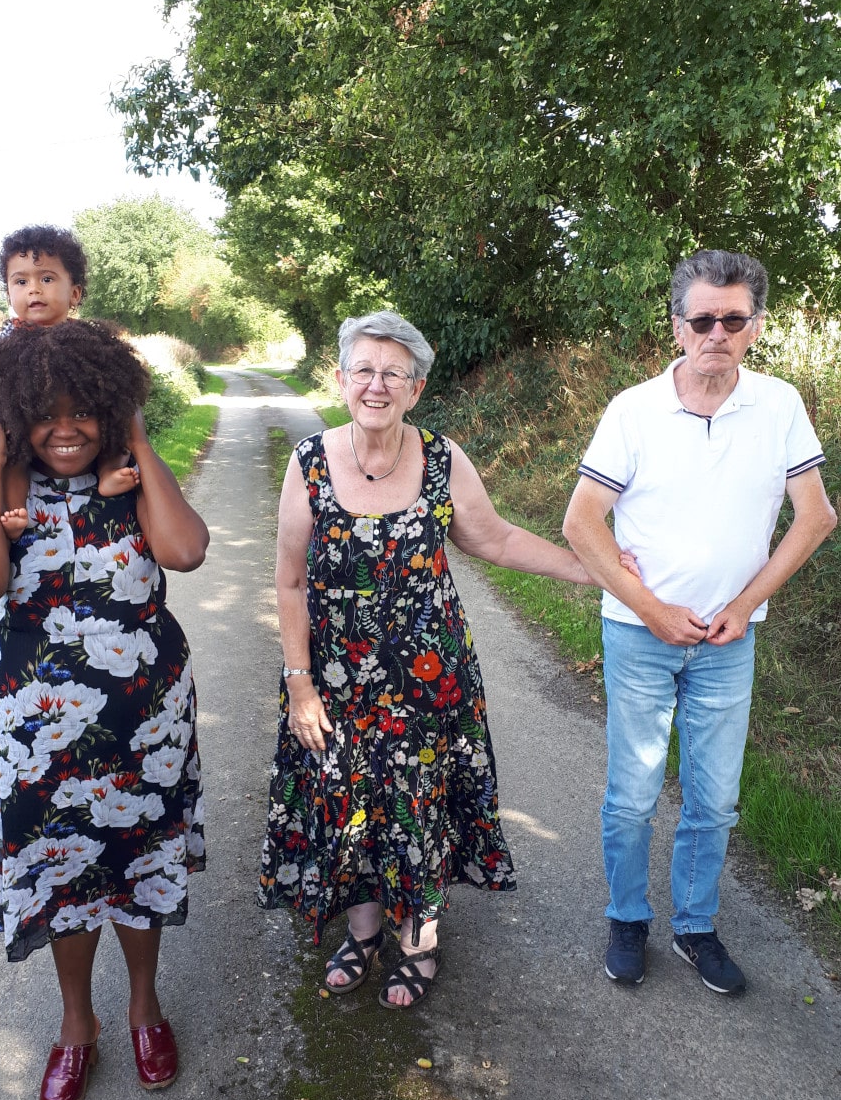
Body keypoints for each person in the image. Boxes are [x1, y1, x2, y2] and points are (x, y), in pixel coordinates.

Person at [258, 310, 597, 1008]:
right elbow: (290, 579)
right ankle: (361, 932)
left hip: (430, 682)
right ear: (341, 378)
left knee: (422, 806)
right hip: (335, 682)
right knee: (350, 801)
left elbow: (495, 539)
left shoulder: (443, 458)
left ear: (415, 389)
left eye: (394, 373)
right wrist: (299, 685)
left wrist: (588, 568)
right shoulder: (310, 462)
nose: (377, 384)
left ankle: (420, 939)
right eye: (364, 369)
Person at [0, 319, 209, 1100]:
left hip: (145, 723)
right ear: (14, 414)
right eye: (43, 413)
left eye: (84, 409)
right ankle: (75, 1023)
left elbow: (187, 550)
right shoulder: (4, 486)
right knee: (63, 872)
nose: (64, 429)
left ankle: (143, 1006)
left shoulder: (129, 475)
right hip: (36, 733)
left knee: (138, 863)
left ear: (109, 404)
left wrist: (135, 435)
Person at [563, 249, 836, 996]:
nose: (718, 331)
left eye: (734, 318)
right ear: (678, 326)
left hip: (729, 641)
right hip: (638, 634)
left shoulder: (778, 405)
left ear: (754, 326)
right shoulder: (633, 409)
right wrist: (652, 610)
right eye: (703, 318)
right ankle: (627, 918)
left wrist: (744, 607)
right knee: (633, 792)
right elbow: (581, 522)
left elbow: (815, 517)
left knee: (715, 798)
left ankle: (695, 927)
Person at [0, 225, 134, 540]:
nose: (34, 289)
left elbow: (119, 382)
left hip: (83, 429)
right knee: (12, 457)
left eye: (46, 278)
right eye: (21, 281)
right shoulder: (8, 337)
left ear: (74, 293)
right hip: (27, 426)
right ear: (8, 293)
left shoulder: (88, 340)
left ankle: (109, 470)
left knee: (118, 421)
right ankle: (16, 512)